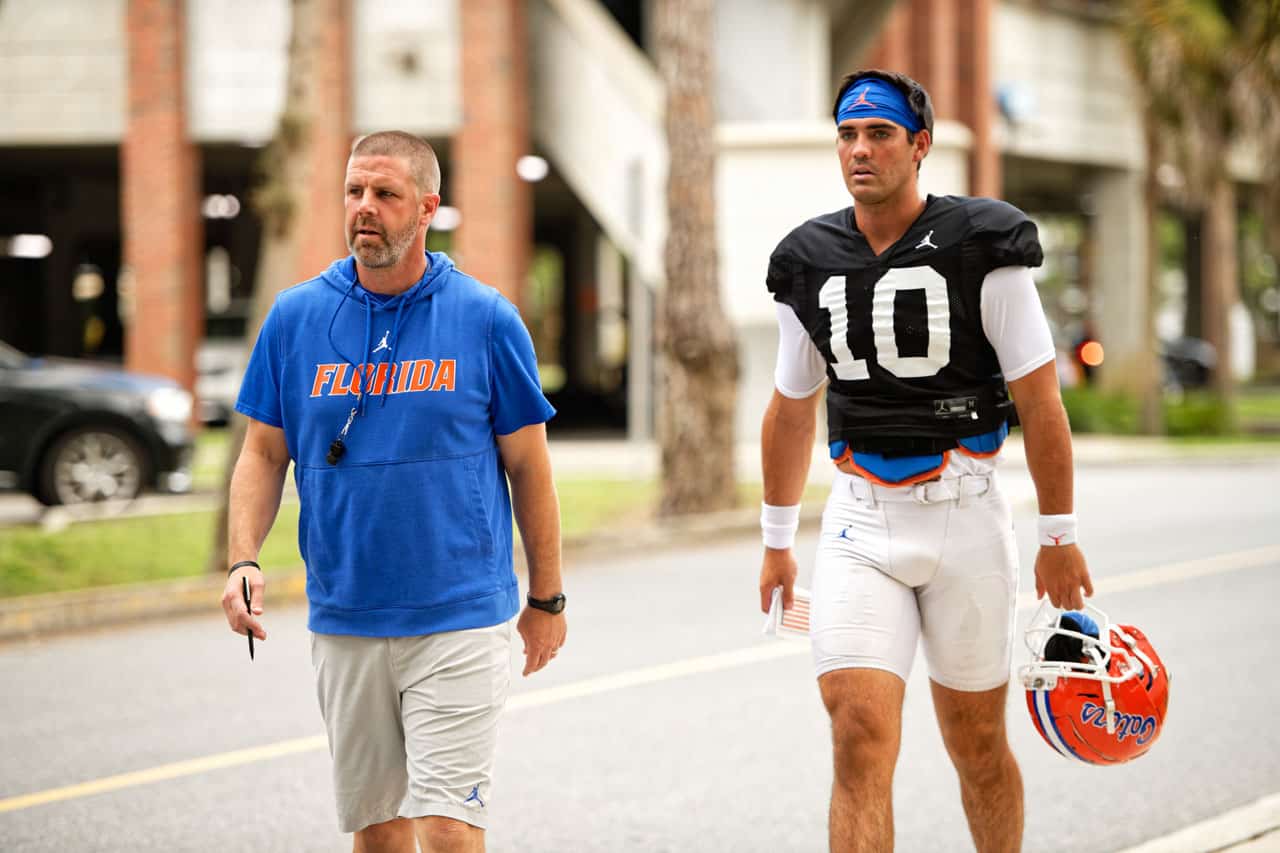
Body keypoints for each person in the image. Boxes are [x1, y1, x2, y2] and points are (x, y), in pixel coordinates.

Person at [757, 70, 1092, 853]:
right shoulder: (807, 258)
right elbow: (790, 405)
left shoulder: (983, 241)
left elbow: (1041, 402)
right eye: (846, 134)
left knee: (975, 745)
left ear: (920, 146)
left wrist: (1060, 532)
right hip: (860, 517)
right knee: (858, 731)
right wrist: (776, 540)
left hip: (964, 512)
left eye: (877, 133)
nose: (859, 149)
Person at [220, 130, 567, 853]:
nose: (364, 208)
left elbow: (530, 466)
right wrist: (242, 559)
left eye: (385, 194)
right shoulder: (295, 319)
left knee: (446, 828)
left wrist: (547, 598)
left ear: (428, 207)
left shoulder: (485, 318)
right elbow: (261, 450)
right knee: (378, 834)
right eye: (354, 191)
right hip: (346, 614)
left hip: (460, 615)